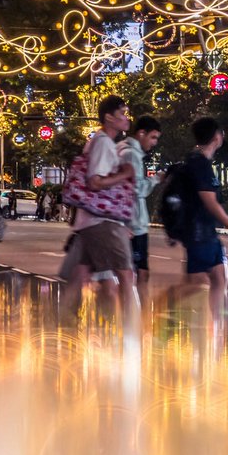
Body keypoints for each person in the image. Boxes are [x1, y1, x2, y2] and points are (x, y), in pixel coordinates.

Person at [60, 95, 136, 319]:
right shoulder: (103, 142)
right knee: (125, 275)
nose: (126, 118)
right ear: (108, 117)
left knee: (80, 273)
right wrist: (124, 174)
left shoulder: (98, 141)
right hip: (102, 221)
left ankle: (63, 322)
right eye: (122, 114)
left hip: (89, 221)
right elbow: (95, 181)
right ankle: (131, 332)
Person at [181, 116, 228, 319]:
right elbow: (210, 201)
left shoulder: (198, 161)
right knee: (196, 284)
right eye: (221, 132)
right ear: (216, 137)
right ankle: (168, 306)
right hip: (199, 232)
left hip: (204, 232)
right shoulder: (200, 164)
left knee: (219, 278)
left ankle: (215, 325)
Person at [120, 114, 163, 297]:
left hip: (131, 221)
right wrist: (156, 179)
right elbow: (137, 189)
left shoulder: (122, 149)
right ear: (141, 134)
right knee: (140, 274)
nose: (154, 143)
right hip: (134, 223)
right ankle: (140, 318)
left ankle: (135, 315)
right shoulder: (131, 154)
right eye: (152, 137)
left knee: (135, 273)